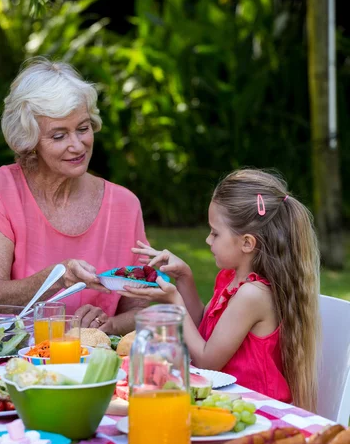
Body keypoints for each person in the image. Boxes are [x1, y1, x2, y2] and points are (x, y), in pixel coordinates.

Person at [0, 58, 149, 334]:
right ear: (29, 140)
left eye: (83, 128)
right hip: (2, 358)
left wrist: (106, 325)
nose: (77, 145)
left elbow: (138, 308)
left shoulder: (124, 205)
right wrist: (58, 277)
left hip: (86, 363)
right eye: (59, 136)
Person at [118, 169, 320, 411]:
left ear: (247, 243)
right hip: (224, 402)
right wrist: (184, 278)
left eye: (215, 233)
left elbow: (206, 360)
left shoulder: (253, 294)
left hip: (259, 411)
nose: (207, 240)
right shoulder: (231, 279)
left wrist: (175, 300)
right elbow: (203, 332)